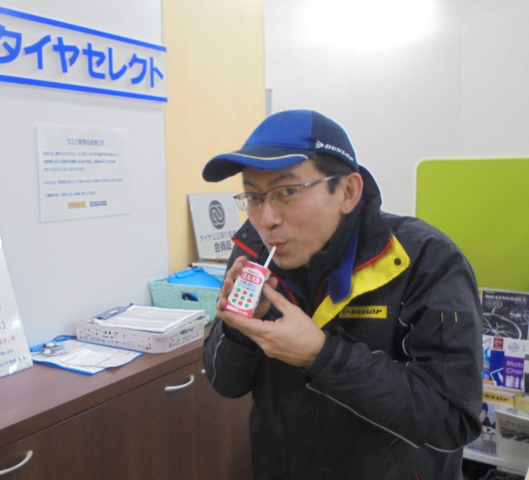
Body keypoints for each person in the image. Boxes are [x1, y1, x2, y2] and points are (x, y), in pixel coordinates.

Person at [202, 109, 483, 480]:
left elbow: (452, 421)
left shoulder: (427, 260)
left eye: (287, 192)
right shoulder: (253, 252)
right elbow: (225, 382)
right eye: (253, 196)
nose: (266, 219)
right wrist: (238, 330)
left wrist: (322, 355)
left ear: (347, 191)